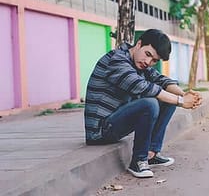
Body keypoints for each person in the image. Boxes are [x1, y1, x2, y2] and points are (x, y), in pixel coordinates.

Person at [84, 29, 202, 178]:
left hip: (114, 123)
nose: (148, 62)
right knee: (150, 103)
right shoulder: (116, 60)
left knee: (167, 96)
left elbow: (162, 81)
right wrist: (181, 102)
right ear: (139, 44)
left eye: (154, 60)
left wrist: (184, 95)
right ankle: (138, 161)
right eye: (148, 55)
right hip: (100, 131)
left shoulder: (138, 63)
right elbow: (142, 87)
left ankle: (151, 154)